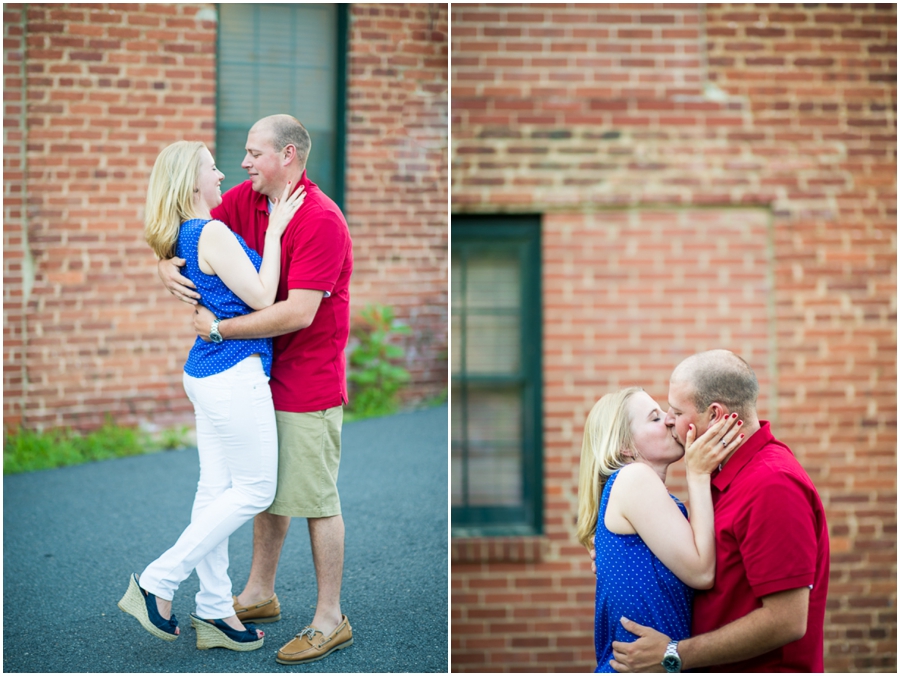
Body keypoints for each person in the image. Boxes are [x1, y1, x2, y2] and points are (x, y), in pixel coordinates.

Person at [157, 114, 355, 665]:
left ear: (288, 155)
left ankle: (329, 619)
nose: (242, 164)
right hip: (256, 371)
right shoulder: (248, 201)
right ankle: (259, 593)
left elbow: (294, 311)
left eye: (254, 153)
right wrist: (161, 266)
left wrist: (219, 328)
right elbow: (190, 229)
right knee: (263, 485)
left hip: (306, 377)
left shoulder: (321, 220)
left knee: (314, 498)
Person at [118, 141, 305, 652]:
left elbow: (176, 258)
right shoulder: (212, 231)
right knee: (255, 490)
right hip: (231, 373)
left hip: (206, 372)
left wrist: (160, 264)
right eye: (211, 167)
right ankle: (159, 580)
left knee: (215, 491)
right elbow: (266, 298)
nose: (223, 172)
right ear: (191, 181)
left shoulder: (182, 233)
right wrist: (272, 232)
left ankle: (216, 612)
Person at [606, 350, 830, 673]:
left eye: (676, 411)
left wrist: (675, 653)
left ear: (714, 416)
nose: (669, 420)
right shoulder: (718, 474)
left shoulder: (772, 484)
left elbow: (787, 620)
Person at [577, 387, 743, 673]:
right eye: (655, 418)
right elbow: (702, 572)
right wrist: (699, 473)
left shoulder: (640, 490)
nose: (669, 420)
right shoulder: (634, 477)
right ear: (624, 448)